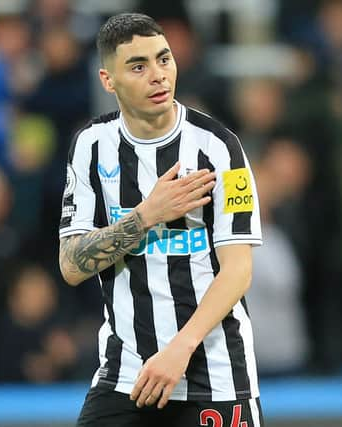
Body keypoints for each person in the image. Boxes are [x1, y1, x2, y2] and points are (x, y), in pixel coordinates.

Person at [58, 13, 264, 427]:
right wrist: (147, 215)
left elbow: (238, 270)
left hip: (215, 375)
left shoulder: (219, 147)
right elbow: (70, 265)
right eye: (138, 66)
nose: (158, 75)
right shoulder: (90, 148)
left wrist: (180, 349)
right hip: (126, 378)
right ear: (108, 80)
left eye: (164, 59)